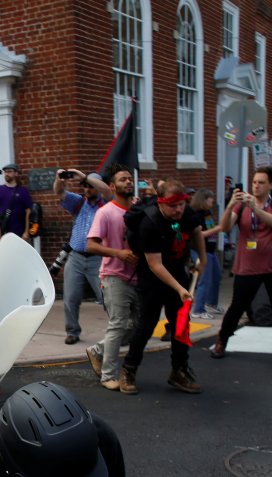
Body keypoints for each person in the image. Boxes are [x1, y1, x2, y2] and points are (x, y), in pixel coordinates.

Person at [119, 179, 205, 395]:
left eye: (181, 205)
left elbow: (196, 231)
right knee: (146, 326)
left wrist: (202, 259)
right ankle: (129, 370)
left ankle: (179, 371)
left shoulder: (186, 213)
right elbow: (155, 265)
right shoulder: (150, 224)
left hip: (178, 273)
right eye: (172, 206)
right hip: (152, 279)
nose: (178, 210)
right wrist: (179, 288)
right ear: (161, 203)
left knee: (181, 324)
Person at [210, 166, 272, 363]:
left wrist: (256, 208)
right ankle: (221, 342)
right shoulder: (241, 206)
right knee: (237, 306)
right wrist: (231, 205)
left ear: (271, 185)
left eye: (261, 183)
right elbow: (224, 227)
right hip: (247, 266)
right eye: (254, 182)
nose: (256, 186)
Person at [84, 165, 138, 390]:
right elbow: (91, 245)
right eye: (123, 179)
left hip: (138, 277)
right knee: (118, 325)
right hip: (113, 275)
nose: (129, 182)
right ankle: (109, 375)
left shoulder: (138, 209)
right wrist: (118, 253)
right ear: (113, 186)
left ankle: (97, 351)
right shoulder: (106, 212)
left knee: (138, 325)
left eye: (130, 179)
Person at [54, 168, 114, 345]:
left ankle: (119, 330)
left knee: (107, 296)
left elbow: (108, 191)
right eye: (85, 186)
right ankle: (72, 331)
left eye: (90, 186)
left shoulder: (107, 203)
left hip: (99, 258)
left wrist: (84, 177)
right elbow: (59, 191)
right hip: (76, 257)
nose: (87, 189)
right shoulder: (79, 202)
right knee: (70, 297)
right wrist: (59, 179)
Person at [189, 189, 223, 319]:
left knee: (217, 276)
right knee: (205, 280)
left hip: (210, 250)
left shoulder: (207, 213)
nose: (212, 200)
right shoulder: (196, 215)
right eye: (210, 198)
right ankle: (198, 310)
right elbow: (198, 235)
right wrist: (216, 229)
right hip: (201, 251)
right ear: (204, 199)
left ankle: (211, 303)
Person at [0, 164, 34, 242]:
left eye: (9, 171)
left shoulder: (23, 191)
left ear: (16, 173)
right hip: (1, 231)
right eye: (5, 172)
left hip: (18, 231)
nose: (7, 174)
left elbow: (28, 212)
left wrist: (26, 231)